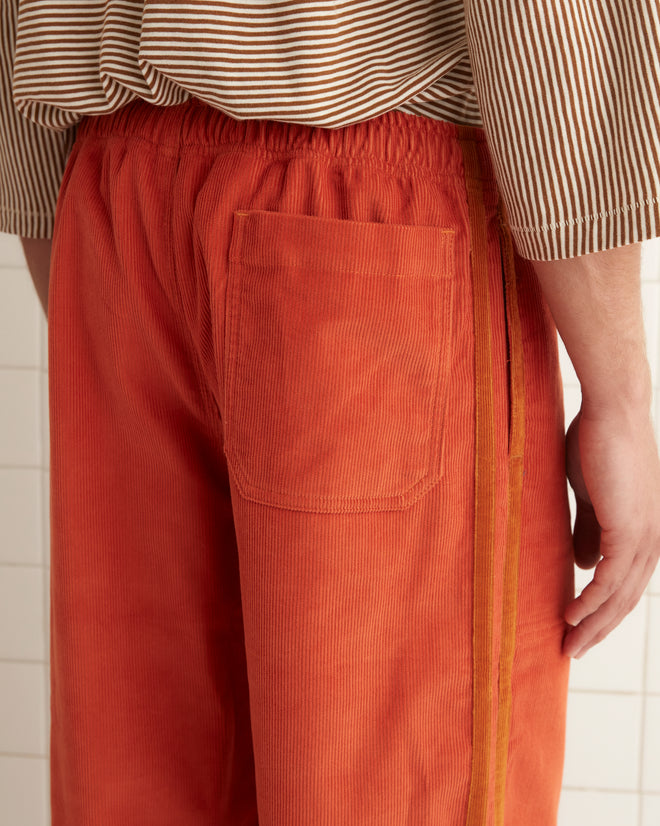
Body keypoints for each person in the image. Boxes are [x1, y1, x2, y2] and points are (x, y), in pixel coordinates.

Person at [1, 2, 659, 825]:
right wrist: (620, 389)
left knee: (139, 783)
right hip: (360, 213)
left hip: (111, 207)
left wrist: (60, 235)